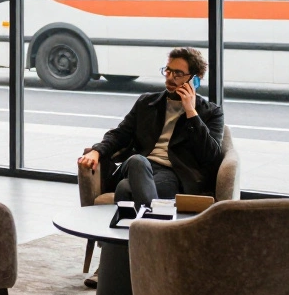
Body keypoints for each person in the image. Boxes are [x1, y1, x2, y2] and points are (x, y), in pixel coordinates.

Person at [78, 47, 226, 209]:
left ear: (194, 80)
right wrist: (97, 150)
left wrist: (191, 112)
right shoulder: (147, 103)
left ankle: (135, 222)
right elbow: (121, 134)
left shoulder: (211, 113)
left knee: (124, 188)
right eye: (168, 71)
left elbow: (211, 156)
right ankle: (151, 220)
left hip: (172, 173)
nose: (170, 77)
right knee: (137, 161)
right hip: (138, 164)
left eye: (178, 73)